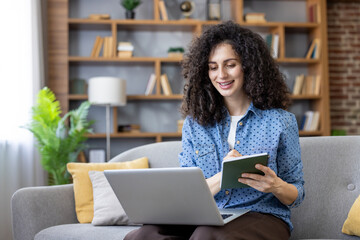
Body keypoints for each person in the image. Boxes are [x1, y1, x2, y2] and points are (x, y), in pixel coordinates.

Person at [125, 20, 304, 240]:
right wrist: (224, 176)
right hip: (208, 215)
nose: (221, 75)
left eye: (230, 65)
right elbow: (187, 191)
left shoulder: (280, 121)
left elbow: (297, 194)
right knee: (144, 234)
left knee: (206, 235)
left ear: (249, 66)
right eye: (213, 67)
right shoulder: (195, 124)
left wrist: (275, 185)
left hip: (262, 215)